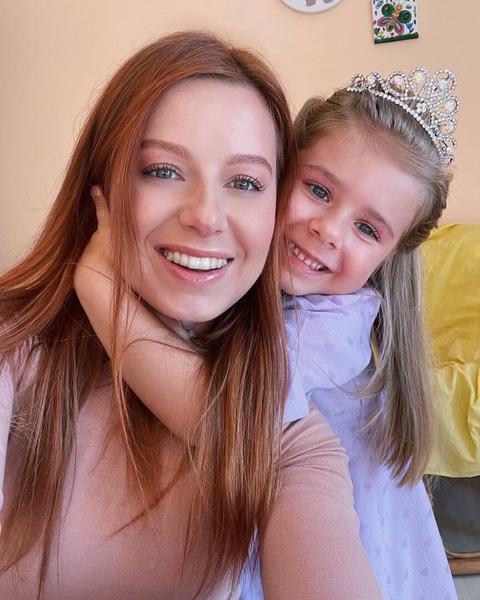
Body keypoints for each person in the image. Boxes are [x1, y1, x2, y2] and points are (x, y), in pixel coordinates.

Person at [0, 32, 379, 599]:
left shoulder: (287, 431)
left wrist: (101, 287)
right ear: (100, 186)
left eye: (245, 182)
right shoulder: (14, 351)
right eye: (163, 170)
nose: (206, 215)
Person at [75, 68, 460, 599]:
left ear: (390, 256)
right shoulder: (238, 285)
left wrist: (99, 288)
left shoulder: (333, 325)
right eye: (318, 190)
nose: (327, 229)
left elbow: (223, 419)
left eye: (367, 229)